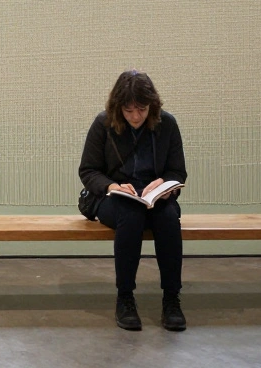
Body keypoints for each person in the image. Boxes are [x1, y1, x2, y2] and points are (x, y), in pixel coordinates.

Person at [78, 70, 188, 331]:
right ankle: (125, 296)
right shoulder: (103, 124)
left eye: (142, 109)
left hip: (153, 197)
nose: (136, 116)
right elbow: (88, 171)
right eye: (128, 110)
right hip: (113, 197)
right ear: (118, 107)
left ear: (152, 105)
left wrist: (165, 185)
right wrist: (112, 186)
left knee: (168, 217)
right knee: (131, 215)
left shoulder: (167, 124)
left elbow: (177, 171)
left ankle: (171, 298)